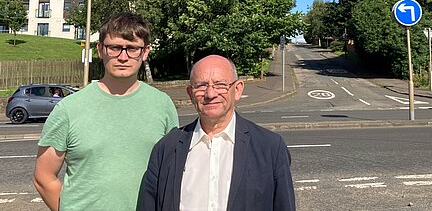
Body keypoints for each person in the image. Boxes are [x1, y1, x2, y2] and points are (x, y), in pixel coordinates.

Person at [33, 12, 179, 211]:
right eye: (115, 48)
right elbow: (43, 176)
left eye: (132, 49)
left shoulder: (163, 105)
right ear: (101, 50)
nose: (123, 57)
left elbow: (172, 172)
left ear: (145, 52)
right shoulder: (68, 109)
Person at [139, 54, 296, 211]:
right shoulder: (166, 149)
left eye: (220, 84)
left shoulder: (270, 148)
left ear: (237, 89)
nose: (210, 94)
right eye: (201, 85)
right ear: (190, 93)